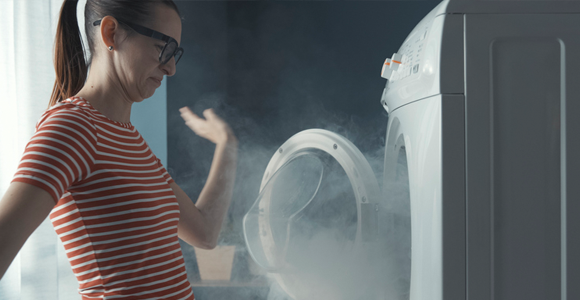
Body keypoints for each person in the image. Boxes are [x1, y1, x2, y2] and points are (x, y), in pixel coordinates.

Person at [0, 0, 237, 299]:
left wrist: (227, 146)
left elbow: (205, 233)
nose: (171, 67)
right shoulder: (73, 127)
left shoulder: (129, 140)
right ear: (111, 33)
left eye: (175, 53)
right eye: (163, 47)